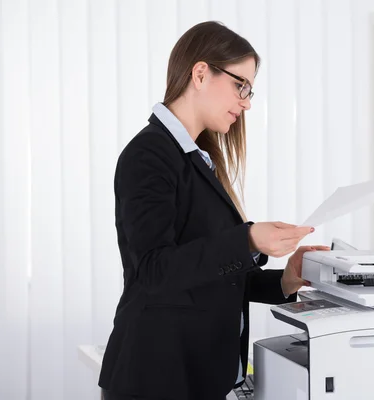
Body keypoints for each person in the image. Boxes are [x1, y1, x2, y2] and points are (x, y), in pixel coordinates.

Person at [98, 21, 329, 400]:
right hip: (155, 377)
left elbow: (209, 275)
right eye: (241, 85)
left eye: (250, 90)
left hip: (194, 376)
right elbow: (155, 271)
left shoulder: (198, 158)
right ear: (201, 73)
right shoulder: (149, 155)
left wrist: (285, 279)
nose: (247, 102)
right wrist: (249, 238)